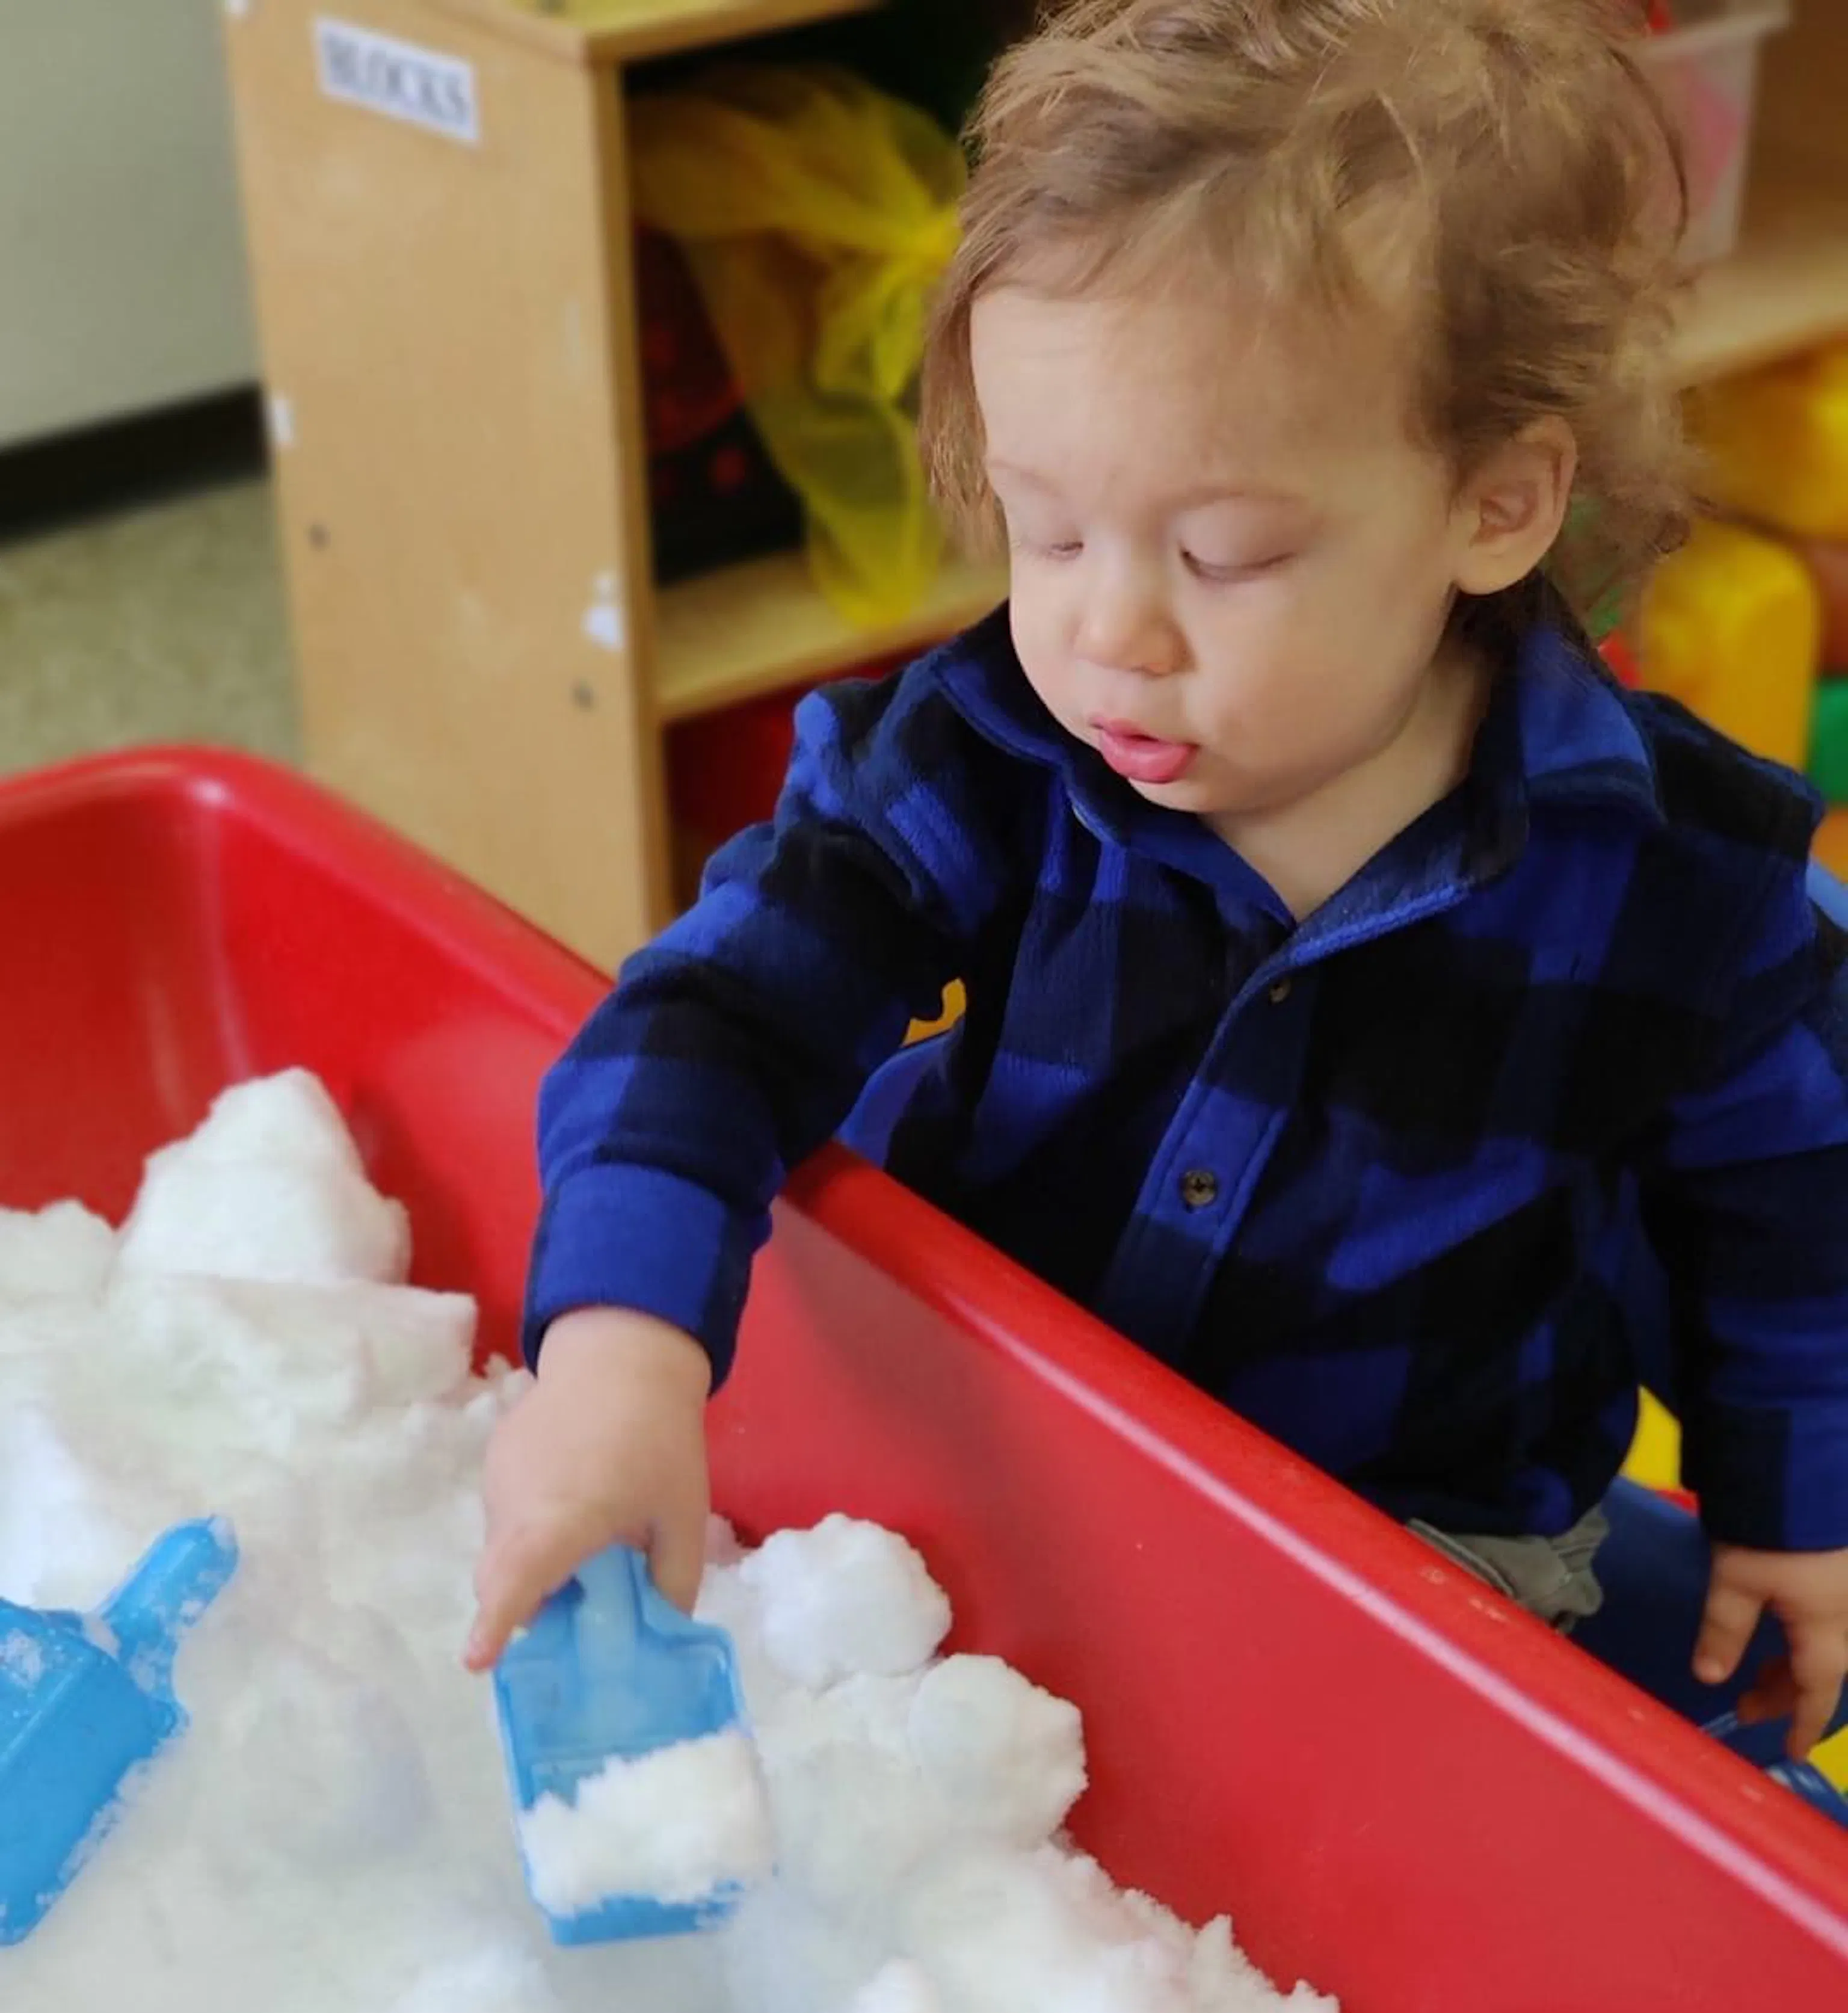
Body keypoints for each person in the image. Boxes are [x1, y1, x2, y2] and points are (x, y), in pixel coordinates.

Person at [467, 0, 1848, 1787]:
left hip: (1415, 1544)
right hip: (992, 1427)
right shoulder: (978, 755)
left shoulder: (1682, 880)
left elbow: (1793, 1221)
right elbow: (715, 1014)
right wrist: (619, 1352)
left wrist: (1797, 1509)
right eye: (1047, 530)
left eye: (1222, 554)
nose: (1108, 632)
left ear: (1496, 506)